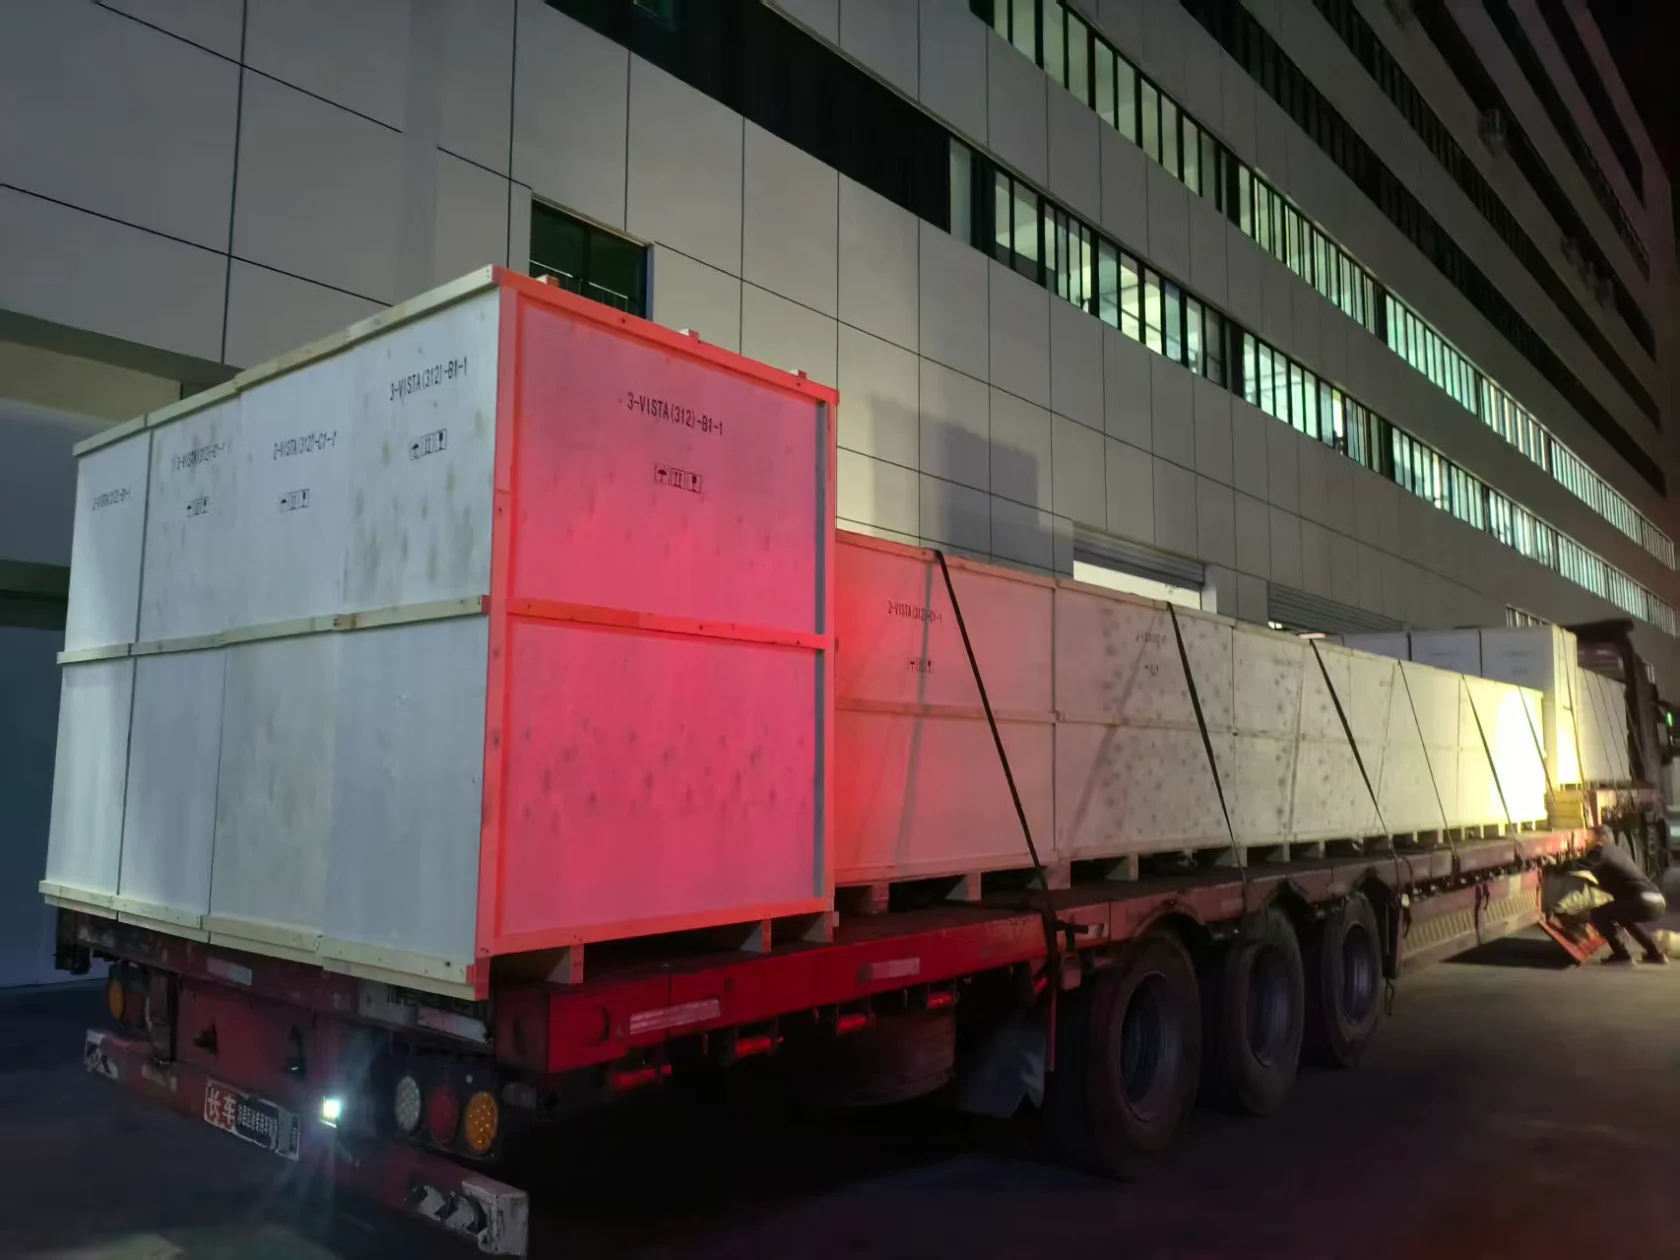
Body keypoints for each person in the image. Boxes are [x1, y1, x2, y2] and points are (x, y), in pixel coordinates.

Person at [1580, 839, 1669, 964]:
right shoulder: (1617, 856)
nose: (1587, 851)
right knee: (1623, 916)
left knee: (1598, 914)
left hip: (1644, 900)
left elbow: (1583, 865)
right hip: (1658, 900)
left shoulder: (1602, 852)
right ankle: (1655, 953)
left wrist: (1559, 867)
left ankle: (1622, 954)